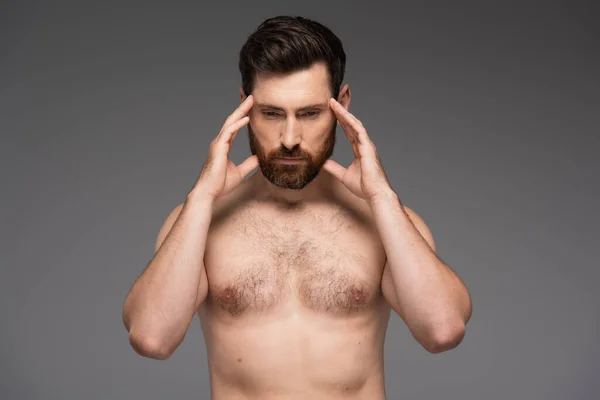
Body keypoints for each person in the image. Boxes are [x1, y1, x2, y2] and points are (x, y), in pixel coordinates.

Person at [122, 15, 472, 399]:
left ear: (342, 106)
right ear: (244, 107)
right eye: (272, 113)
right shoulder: (199, 221)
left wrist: (382, 197)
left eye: (309, 113)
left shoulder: (385, 221)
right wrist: (201, 197)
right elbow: (152, 338)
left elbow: (443, 330)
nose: (290, 138)